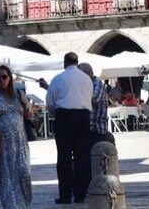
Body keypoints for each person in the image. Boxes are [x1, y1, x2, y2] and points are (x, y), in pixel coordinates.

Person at [43, 52, 93, 205]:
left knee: (64, 157)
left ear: (65, 62)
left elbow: (50, 102)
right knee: (82, 157)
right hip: (83, 117)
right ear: (77, 62)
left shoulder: (58, 79)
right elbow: (89, 98)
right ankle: (80, 194)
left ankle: (65, 195)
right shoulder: (87, 79)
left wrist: (58, 114)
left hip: (64, 117)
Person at [0, 65, 32, 208]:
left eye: (4, 77)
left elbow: (29, 115)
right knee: (7, 177)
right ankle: (11, 206)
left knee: (24, 173)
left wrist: (26, 105)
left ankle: (24, 204)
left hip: (20, 142)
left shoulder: (19, 95)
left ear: (10, 78)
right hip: (3, 142)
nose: (1, 80)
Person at [78, 63, 114, 148]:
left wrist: (79, 93)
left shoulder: (97, 83)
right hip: (87, 129)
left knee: (95, 154)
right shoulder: (85, 84)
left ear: (86, 74)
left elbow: (94, 101)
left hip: (96, 130)